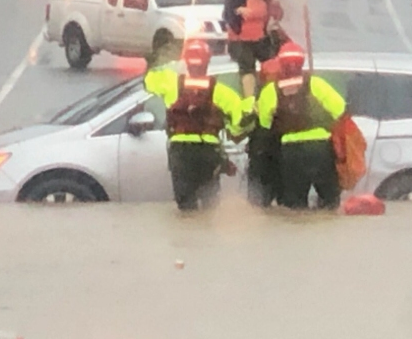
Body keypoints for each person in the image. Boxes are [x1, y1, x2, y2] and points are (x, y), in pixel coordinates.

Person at [147, 39, 244, 211]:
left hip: (181, 151)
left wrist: (164, 58)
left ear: (186, 62)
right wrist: (232, 132)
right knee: (211, 206)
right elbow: (239, 119)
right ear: (207, 62)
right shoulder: (221, 91)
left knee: (185, 207)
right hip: (209, 152)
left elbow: (149, 81)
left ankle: (188, 234)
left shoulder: (171, 84)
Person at [256, 42, 346, 210]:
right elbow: (339, 108)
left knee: (295, 206)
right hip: (320, 149)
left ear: (281, 64)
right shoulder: (316, 84)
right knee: (330, 201)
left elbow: (264, 123)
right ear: (301, 63)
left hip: (291, 152)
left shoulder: (271, 90)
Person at [223, 0, 286, 101]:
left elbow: (278, 16)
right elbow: (227, 14)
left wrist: (277, 8)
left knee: (272, 63)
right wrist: (238, 10)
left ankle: (271, 96)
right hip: (239, 40)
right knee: (247, 64)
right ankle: (250, 102)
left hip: (260, 40)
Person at [246, 58, 283, 207]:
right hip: (285, 160)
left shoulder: (259, 99)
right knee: (289, 207)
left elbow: (240, 127)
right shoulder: (299, 94)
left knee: (257, 206)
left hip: (261, 159)